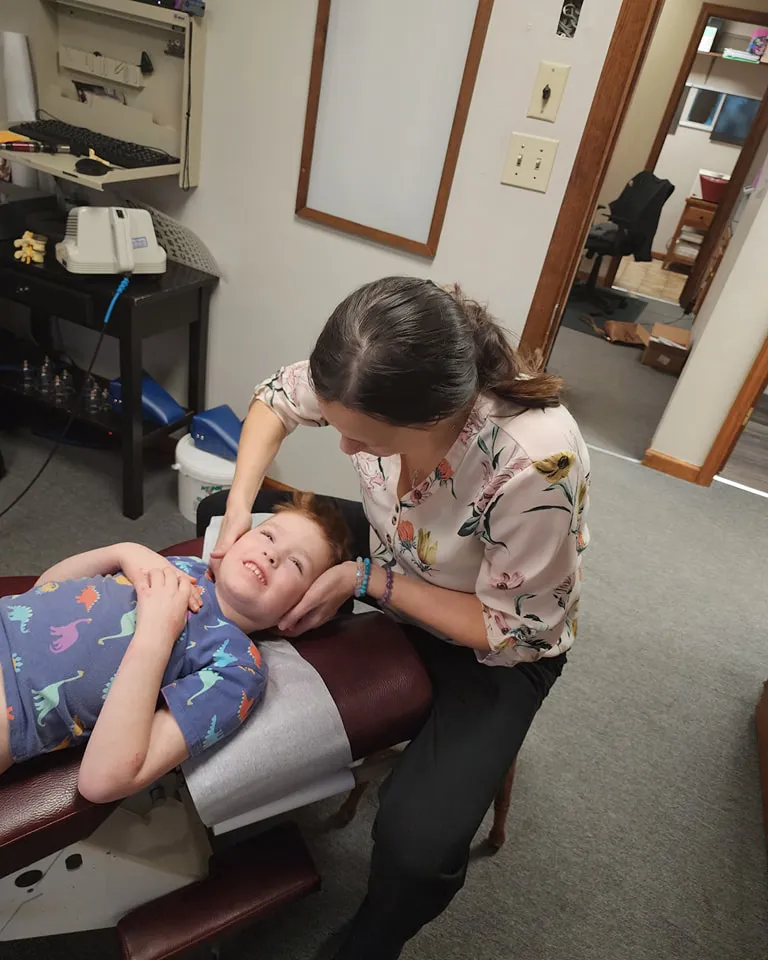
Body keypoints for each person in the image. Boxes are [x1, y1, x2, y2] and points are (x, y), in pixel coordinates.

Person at [201, 277, 591, 960]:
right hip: (406, 546)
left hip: (494, 639)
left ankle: (369, 945)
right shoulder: (373, 360)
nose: (345, 450)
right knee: (216, 510)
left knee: (416, 850)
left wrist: (364, 580)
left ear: (436, 418)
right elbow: (273, 401)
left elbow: (509, 627)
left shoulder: (536, 463)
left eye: (362, 439)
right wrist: (239, 510)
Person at [0, 493, 351, 803]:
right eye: (269, 535)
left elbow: (103, 780)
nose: (272, 553)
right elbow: (42, 590)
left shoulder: (239, 668)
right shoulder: (185, 566)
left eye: (297, 564)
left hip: (14, 705)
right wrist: (124, 551)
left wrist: (157, 630)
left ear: (300, 612)